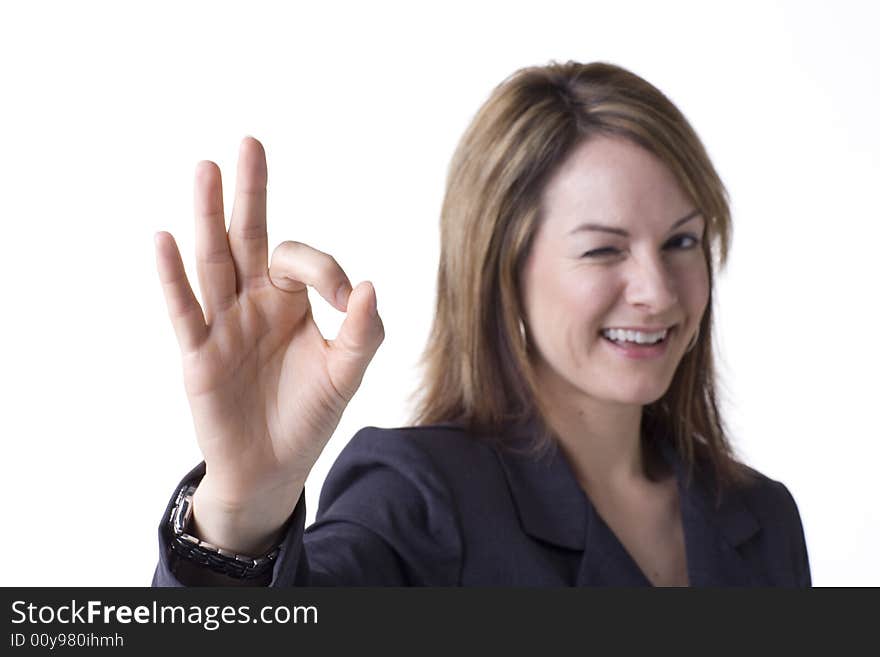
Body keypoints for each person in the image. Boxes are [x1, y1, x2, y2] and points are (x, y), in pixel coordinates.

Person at [151, 60, 811, 587]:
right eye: (604, 249)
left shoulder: (761, 517)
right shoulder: (419, 498)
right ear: (504, 271)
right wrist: (238, 515)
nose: (657, 290)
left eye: (682, 242)